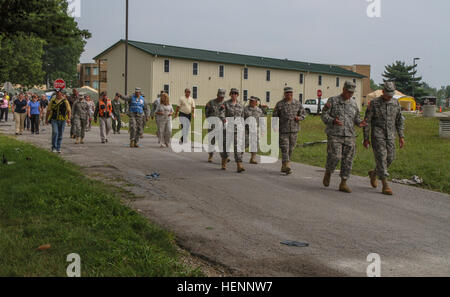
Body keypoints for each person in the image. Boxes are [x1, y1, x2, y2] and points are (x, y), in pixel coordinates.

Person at [321, 81, 367, 193]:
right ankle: (328, 171)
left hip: (350, 135)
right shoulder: (333, 100)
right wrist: (332, 121)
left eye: (352, 92)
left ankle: (343, 183)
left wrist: (360, 123)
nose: (350, 94)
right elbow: (324, 115)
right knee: (335, 156)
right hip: (335, 134)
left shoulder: (353, 103)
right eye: (348, 91)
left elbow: (356, 118)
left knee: (348, 160)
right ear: (343, 89)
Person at [363, 82, 405, 196]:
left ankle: (374, 173)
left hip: (391, 135)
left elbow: (399, 120)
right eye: (388, 94)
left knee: (390, 158)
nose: (389, 96)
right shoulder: (374, 103)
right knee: (381, 157)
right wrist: (366, 138)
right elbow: (367, 122)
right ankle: (385, 185)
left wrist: (401, 136)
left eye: (391, 94)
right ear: (383, 92)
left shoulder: (395, 103)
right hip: (378, 135)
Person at [272, 87, 306, 175]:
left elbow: (303, 114)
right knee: (285, 148)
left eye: (290, 93)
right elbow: (275, 117)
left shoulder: (297, 103)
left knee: (291, 149)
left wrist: (299, 118)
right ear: (284, 94)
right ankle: (287, 165)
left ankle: (284, 165)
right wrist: (274, 127)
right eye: (287, 93)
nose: (289, 94)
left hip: (294, 130)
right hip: (283, 130)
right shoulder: (280, 104)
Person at [221, 88, 245, 172]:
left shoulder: (240, 105)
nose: (234, 95)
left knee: (237, 148)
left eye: (235, 93)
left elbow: (242, 116)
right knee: (226, 147)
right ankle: (223, 163)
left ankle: (239, 166)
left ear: (237, 95)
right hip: (228, 129)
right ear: (230, 94)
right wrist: (224, 119)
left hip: (237, 129)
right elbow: (222, 113)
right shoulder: (226, 103)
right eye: (232, 93)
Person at [244, 96, 268, 165]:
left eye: (253, 101)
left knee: (254, 144)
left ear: (256, 102)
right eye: (250, 101)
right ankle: (239, 155)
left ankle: (253, 158)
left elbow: (262, 121)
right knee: (244, 143)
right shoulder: (245, 109)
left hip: (255, 129)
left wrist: (263, 130)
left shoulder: (259, 110)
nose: (251, 102)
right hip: (246, 129)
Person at [46, 89, 71, 153]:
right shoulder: (53, 100)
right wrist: (46, 119)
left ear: (61, 94)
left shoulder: (65, 101)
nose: (58, 95)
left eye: (59, 93)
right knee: (55, 132)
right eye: (57, 93)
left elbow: (68, 110)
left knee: (60, 134)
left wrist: (68, 119)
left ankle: (58, 147)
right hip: (54, 119)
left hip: (63, 120)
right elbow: (48, 110)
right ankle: (54, 147)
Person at [205, 88, 227, 163]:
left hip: (222, 125)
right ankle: (210, 155)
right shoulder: (211, 102)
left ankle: (224, 157)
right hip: (212, 125)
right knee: (212, 141)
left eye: (222, 96)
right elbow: (206, 113)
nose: (221, 98)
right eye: (220, 96)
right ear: (217, 95)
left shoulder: (226, 104)